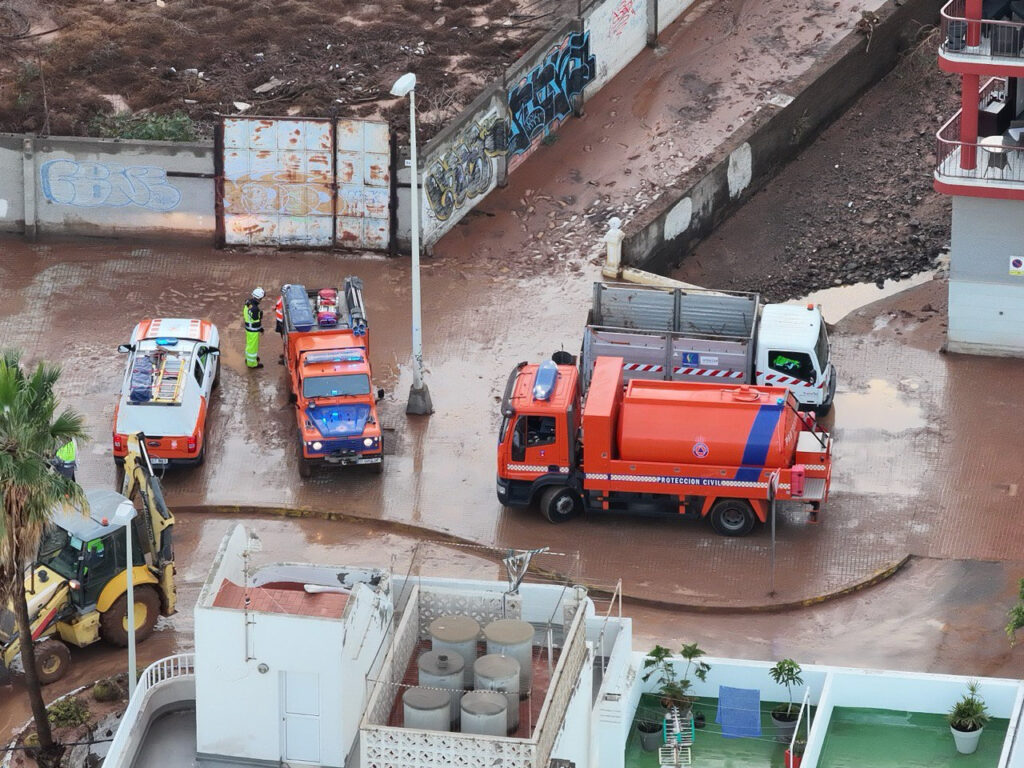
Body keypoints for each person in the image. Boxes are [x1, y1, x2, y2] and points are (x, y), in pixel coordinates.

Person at [244, 287, 266, 369]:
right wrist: (261, 329)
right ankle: (252, 364)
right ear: (259, 298)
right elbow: (257, 322)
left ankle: (249, 359)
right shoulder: (255, 309)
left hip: (248, 328)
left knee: (250, 345)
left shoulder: (248, 302)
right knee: (252, 348)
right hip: (253, 330)